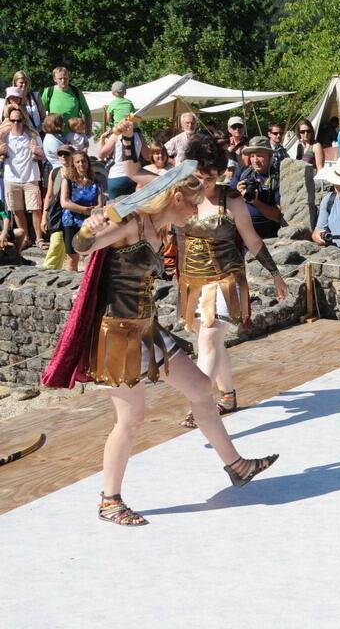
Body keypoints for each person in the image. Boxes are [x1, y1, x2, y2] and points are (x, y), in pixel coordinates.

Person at [41, 165, 279, 527]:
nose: (196, 212)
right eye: (193, 205)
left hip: (146, 327)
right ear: (177, 198)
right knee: (130, 419)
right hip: (116, 335)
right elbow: (82, 246)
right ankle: (109, 501)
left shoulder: (159, 228)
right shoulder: (131, 223)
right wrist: (91, 226)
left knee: (200, 388)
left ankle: (237, 465)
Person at [146, 137, 290, 427]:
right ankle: (227, 395)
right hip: (191, 282)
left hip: (226, 280)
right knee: (210, 341)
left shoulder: (231, 200)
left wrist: (275, 274)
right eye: (200, 176)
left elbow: (252, 240)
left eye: (211, 177)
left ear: (221, 173)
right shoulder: (180, 197)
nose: (205, 183)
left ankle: (199, 404)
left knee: (209, 338)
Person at [0, 108, 44, 251]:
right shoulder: (4, 137)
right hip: (11, 178)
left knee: (35, 209)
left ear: (24, 121)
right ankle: (25, 238)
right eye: (13, 120)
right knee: (17, 210)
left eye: (18, 120)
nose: (16, 123)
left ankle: (39, 238)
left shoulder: (32, 135)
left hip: (30, 177)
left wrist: (37, 151)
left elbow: (43, 155)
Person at [230, 136, 283, 239]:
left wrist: (255, 201)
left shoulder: (277, 178)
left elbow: (277, 216)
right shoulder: (242, 173)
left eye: (260, 156)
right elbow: (226, 198)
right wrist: (236, 192)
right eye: (252, 156)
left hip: (267, 233)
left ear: (270, 156)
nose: (255, 160)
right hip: (240, 230)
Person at [59, 151, 103, 271]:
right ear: (73, 164)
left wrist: (91, 211)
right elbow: (64, 202)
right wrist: (84, 210)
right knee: (72, 258)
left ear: (88, 163)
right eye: (77, 162)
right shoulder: (68, 181)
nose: (81, 164)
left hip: (90, 223)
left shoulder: (96, 182)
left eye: (83, 161)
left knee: (90, 256)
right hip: (71, 221)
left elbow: (100, 204)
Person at [41, 144, 74, 269]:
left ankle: (57, 270)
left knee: (69, 250)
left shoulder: (78, 172)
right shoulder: (54, 172)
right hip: (57, 214)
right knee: (56, 243)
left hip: (73, 213)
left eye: (66, 154)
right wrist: (44, 217)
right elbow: (49, 196)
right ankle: (47, 270)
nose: (63, 156)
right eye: (61, 154)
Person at [99, 118, 148, 200]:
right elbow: (147, 156)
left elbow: (102, 155)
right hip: (135, 176)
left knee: (114, 205)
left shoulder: (116, 136)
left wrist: (102, 139)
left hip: (117, 176)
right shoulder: (139, 136)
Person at [40, 67, 91, 132]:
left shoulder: (76, 92)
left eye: (65, 78)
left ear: (69, 78)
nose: (63, 81)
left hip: (74, 135)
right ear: (54, 79)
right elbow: (40, 113)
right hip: (55, 134)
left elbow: (87, 113)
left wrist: (88, 132)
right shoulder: (49, 92)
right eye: (60, 79)